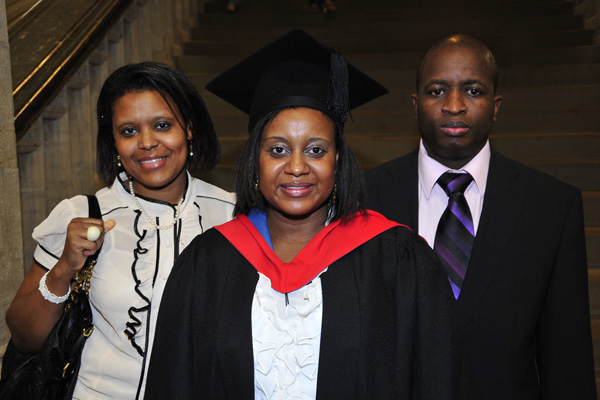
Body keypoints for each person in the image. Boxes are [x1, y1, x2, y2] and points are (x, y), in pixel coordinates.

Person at [145, 29, 480, 399]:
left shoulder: (396, 261)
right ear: (255, 160)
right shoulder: (207, 263)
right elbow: (173, 383)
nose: (297, 167)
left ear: (338, 161)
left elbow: (439, 381)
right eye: (277, 150)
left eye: (316, 150)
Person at [365, 34, 596, 399]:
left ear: (496, 105)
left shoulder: (551, 206)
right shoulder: (364, 198)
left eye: (473, 91)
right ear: (415, 104)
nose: (454, 106)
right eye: (437, 91)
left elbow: (568, 361)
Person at [5, 62, 235, 400]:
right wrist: (64, 268)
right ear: (113, 141)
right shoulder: (81, 215)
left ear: (188, 128)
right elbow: (25, 338)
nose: (146, 143)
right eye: (128, 131)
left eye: (162, 125)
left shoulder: (232, 214)